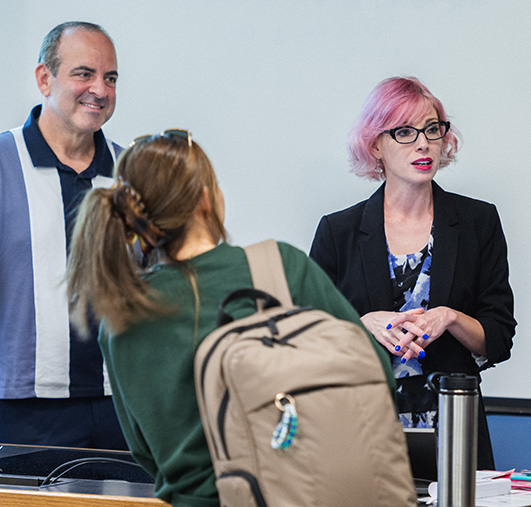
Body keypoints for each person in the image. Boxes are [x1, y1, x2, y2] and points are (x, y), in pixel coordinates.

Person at [65, 129, 396, 506]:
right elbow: (377, 374)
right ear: (206, 199)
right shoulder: (280, 267)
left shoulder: (120, 315)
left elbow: (146, 453)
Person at [309, 76, 517, 470]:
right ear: (375, 146)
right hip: (359, 432)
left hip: (455, 432)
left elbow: (499, 337)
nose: (423, 143)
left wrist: (451, 317)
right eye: (404, 132)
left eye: (432, 129)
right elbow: (305, 338)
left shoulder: (478, 221)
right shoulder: (339, 232)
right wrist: (361, 323)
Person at [0, 21, 127, 449]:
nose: (101, 90)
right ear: (44, 78)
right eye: (84, 74)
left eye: (110, 78)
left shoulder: (133, 172)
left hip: (122, 406)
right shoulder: (3, 163)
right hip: (19, 409)